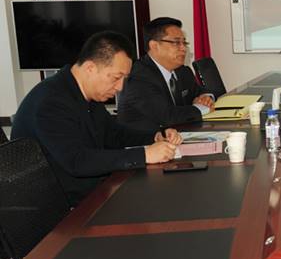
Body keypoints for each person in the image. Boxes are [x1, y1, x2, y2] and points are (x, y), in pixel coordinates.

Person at [12, 31, 181, 206]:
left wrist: (155, 136)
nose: (120, 87)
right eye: (116, 77)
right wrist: (144, 155)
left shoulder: (86, 93)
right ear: (90, 68)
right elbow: (77, 161)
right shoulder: (51, 102)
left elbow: (113, 134)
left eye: (124, 79)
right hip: (61, 207)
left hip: (92, 190)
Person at [118, 17, 215, 131]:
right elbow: (167, 116)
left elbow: (200, 91)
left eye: (184, 42)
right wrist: (202, 108)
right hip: (146, 140)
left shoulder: (183, 71)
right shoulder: (138, 77)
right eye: (176, 42)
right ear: (154, 46)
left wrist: (205, 98)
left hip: (178, 135)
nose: (183, 48)